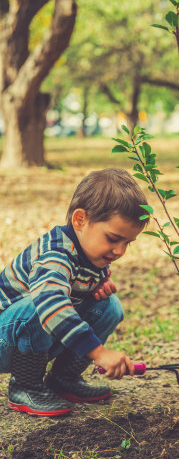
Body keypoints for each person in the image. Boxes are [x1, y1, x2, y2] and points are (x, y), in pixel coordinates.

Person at [0, 168, 148, 417]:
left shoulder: (91, 253)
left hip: (38, 339)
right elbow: (51, 303)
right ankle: (25, 386)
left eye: (127, 243)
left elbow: (77, 291)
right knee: (42, 305)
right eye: (113, 238)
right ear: (80, 220)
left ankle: (63, 379)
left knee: (109, 307)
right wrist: (99, 353)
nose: (120, 251)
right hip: (6, 342)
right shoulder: (55, 254)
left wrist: (94, 290)